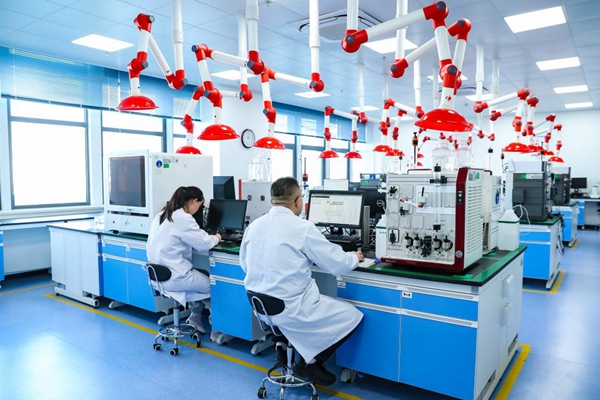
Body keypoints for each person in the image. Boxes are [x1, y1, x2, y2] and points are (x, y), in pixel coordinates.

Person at [240, 177, 365, 386]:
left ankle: (280, 346)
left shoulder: (253, 226)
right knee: (352, 315)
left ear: (272, 201)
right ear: (298, 201)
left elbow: (245, 265)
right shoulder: (302, 228)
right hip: (291, 309)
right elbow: (336, 264)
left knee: (293, 309)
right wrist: (354, 257)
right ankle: (310, 363)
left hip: (260, 307)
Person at [147, 186, 222, 341]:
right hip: (175, 278)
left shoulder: (162, 215)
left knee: (199, 276)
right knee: (215, 286)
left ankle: (195, 316)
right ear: (194, 201)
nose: (198, 210)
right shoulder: (183, 218)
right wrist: (217, 238)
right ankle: (217, 325)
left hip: (158, 278)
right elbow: (203, 243)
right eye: (200, 206)